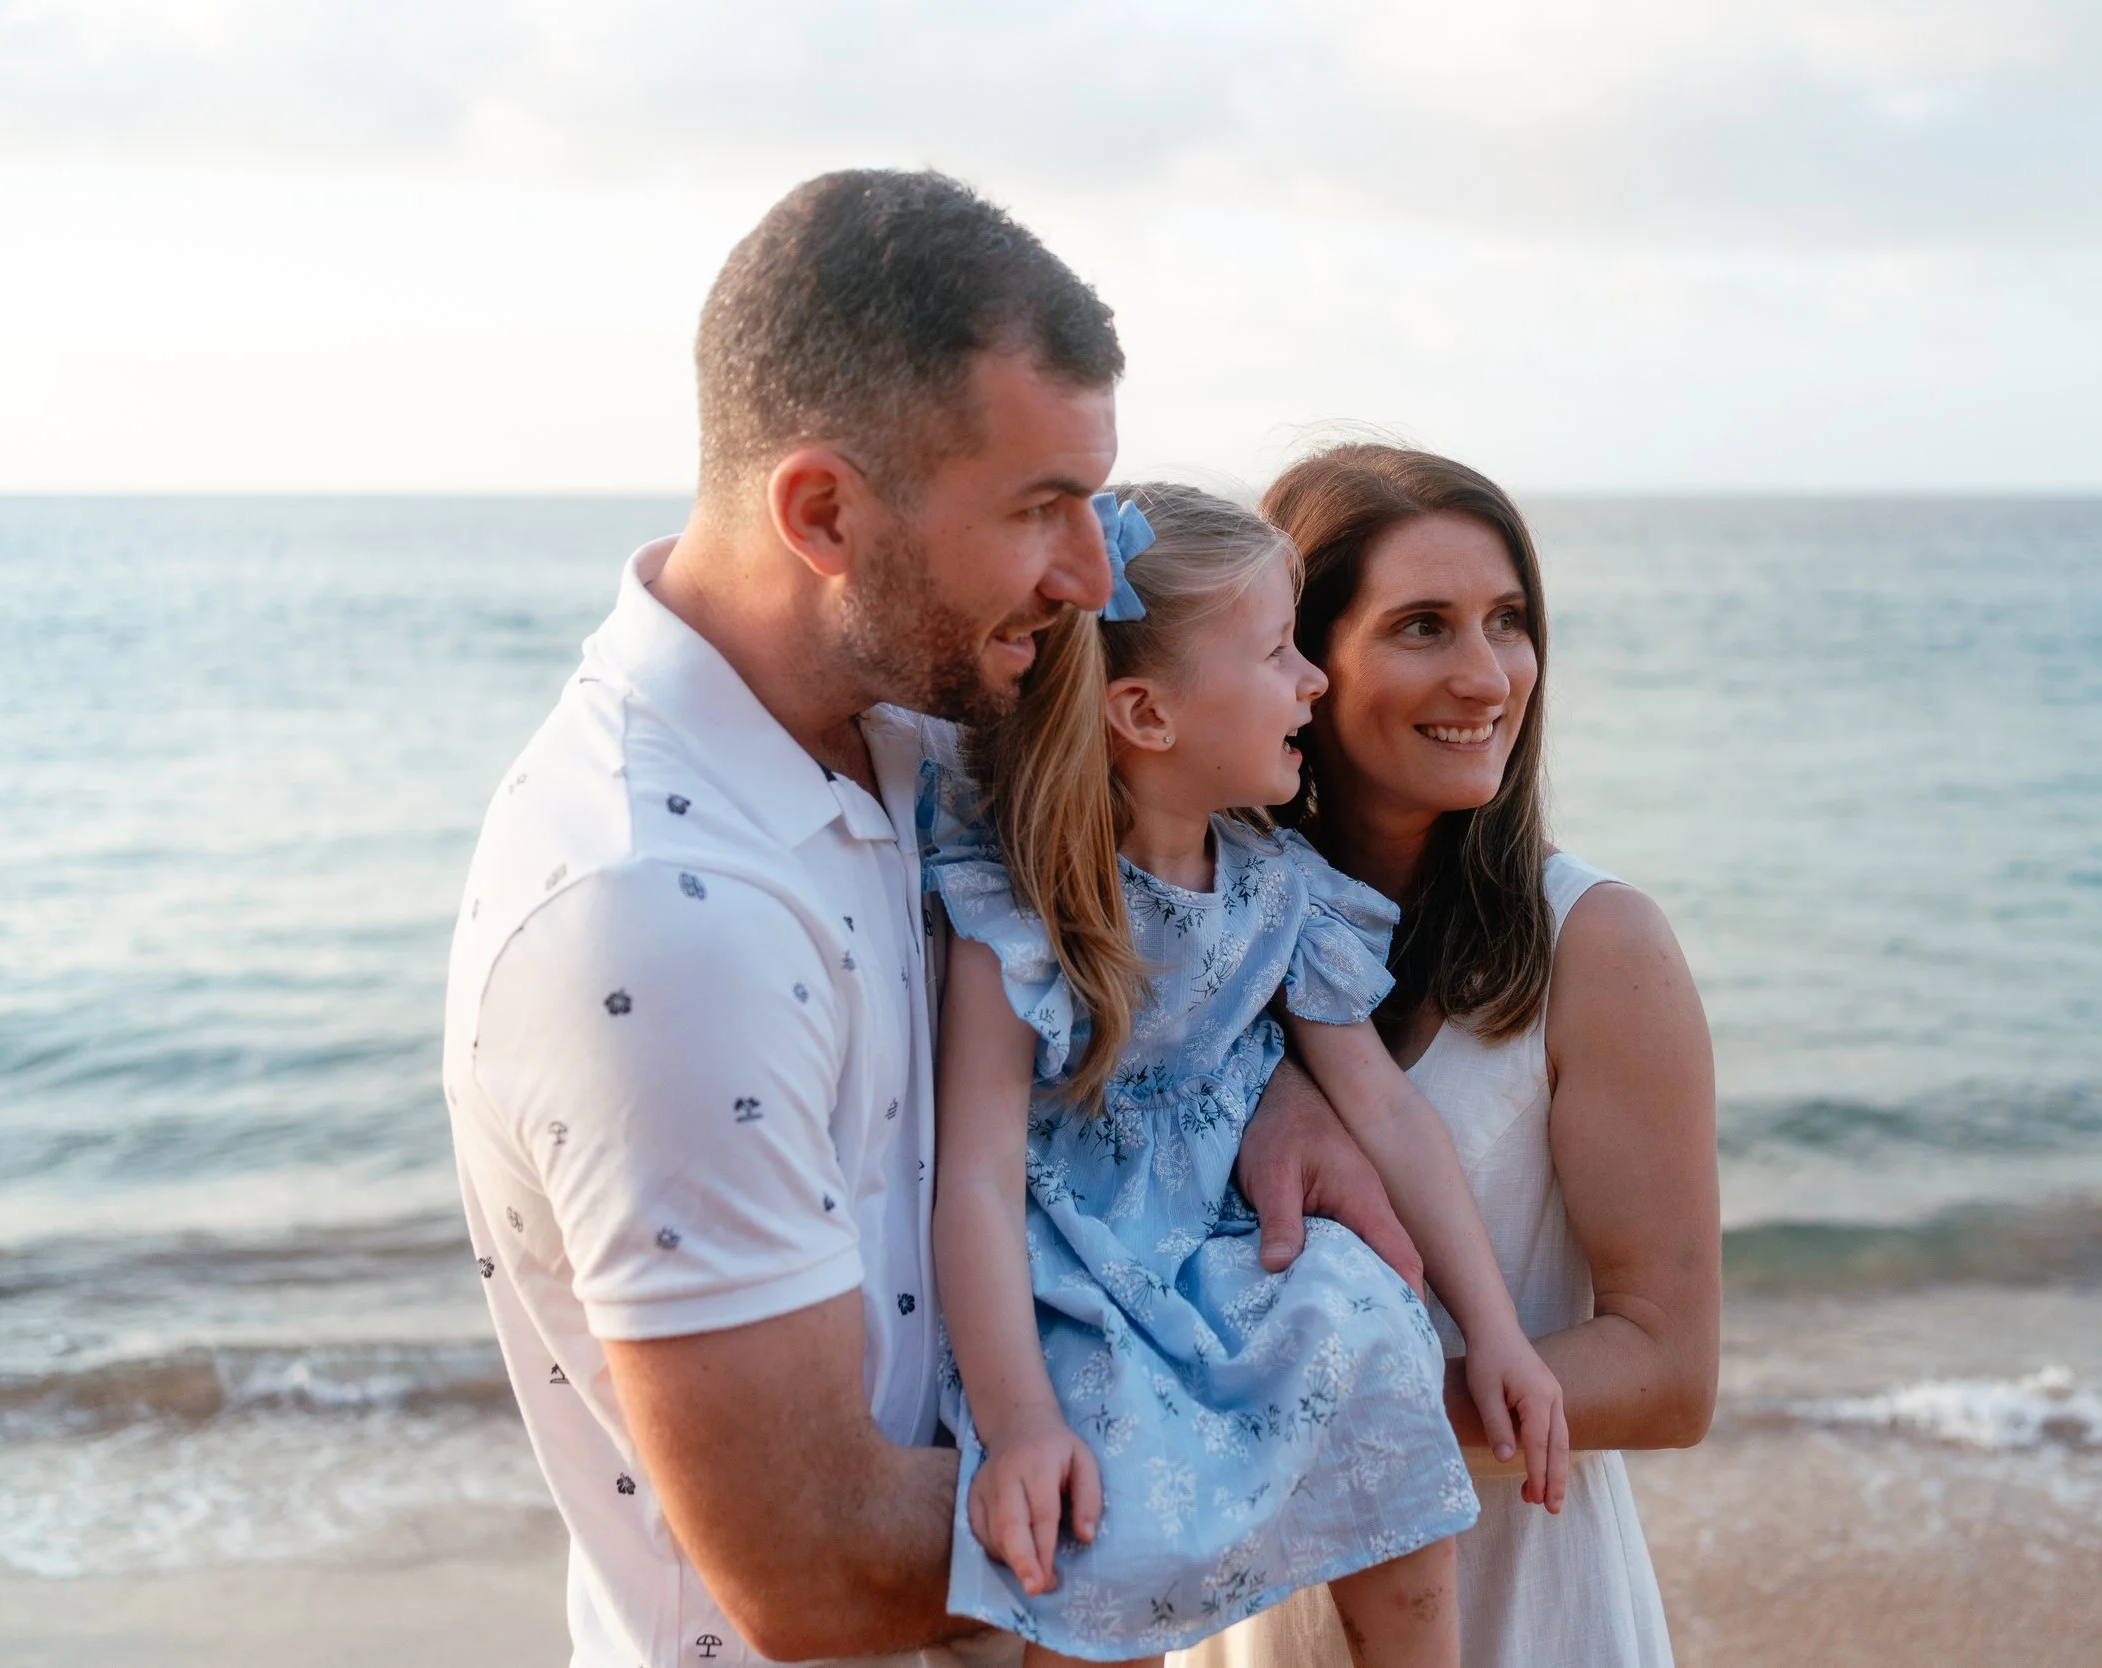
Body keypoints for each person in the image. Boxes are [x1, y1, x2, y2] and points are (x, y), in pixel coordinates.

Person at [442, 172, 1421, 1668]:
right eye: (1039, 514)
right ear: (824, 513)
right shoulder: (657, 923)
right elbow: (815, 1568)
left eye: (1091, 505)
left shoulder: (929, 726)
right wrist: (1357, 1439)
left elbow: (1126, 938)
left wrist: (1266, 1085)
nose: (1095, 582)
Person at [924, 484, 1570, 1667]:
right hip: (1080, 1276)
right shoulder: (1020, 910)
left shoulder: (1277, 888)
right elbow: (973, 1175)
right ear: (1145, 714)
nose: (1312, 683)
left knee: (1367, 1320)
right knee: (1094, 1504)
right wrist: (1015, 1419)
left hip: (1229, 1255)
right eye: (1278, 654)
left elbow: (1382, 1106)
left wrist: (1498, 1333)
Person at [1175, 446, 1721, 1668]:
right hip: (1253, 1617)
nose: (1488, 677)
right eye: (1424, 627)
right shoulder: (1190, 943)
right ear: (1297, 660)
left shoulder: (1595, 943)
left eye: (1509, 623)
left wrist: (1292, 1419)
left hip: (1519, 1612)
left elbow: (1668, 1369)